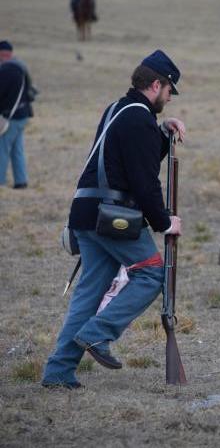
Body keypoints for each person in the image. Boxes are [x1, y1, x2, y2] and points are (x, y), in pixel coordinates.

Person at [42, 50, 186, 389]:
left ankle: (59, 372)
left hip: (87, 214)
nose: (169, 97)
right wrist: (164, 221)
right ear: (156, 84)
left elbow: (125, 158)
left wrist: (162, 133)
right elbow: (143, 180)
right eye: (169, 90)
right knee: (152, 275)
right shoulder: (138, 119)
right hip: (112, 218)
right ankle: (97, 334)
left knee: (88, 294)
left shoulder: (119, 109)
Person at [0, 40, 35, 189]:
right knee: (17, 149)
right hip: (23, 114)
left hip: (11, 117)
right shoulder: (21, 67)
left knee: (2, 149)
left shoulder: (6, 70)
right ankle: (21, 181)